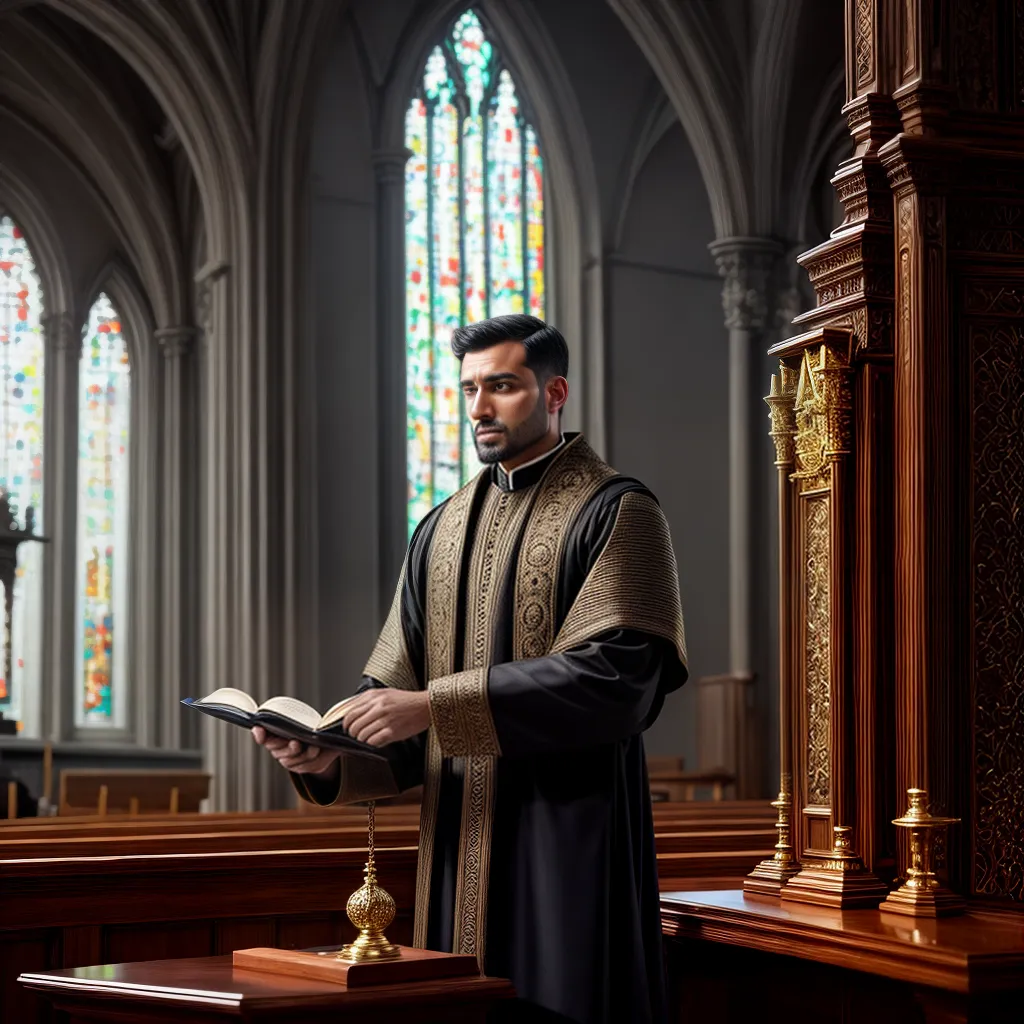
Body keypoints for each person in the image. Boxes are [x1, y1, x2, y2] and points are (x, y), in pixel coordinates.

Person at [253, 314, 687, 1024]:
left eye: (502, 386)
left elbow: (620, 681)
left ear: (555, 392)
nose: (480, 408)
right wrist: (324, 755)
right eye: (469, 390)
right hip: (458, 842)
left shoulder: (618, 510)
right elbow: (389, 700)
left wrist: (432, 706)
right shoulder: (440, 528)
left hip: (570, 838)